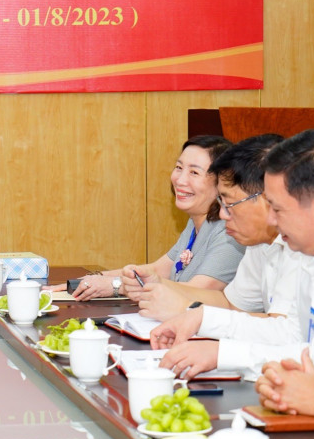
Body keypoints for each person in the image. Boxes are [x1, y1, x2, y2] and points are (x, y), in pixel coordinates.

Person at [150, 129, 314, 380]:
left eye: (277, 209)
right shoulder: (310, 251)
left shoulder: (307, 252)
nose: (271, 220)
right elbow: (291, 333)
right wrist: (203, 319)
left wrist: (221, 354)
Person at [130, 134, 304, 321]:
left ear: (267, 199)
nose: (222, 214)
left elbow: (281, 326)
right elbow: (230, 304)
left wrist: (191, 313)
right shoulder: (259, 244)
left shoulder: (302, 246)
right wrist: (161, 285)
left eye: (230, 203)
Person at [62, 136, 244, 300]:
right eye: (179, 168)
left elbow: (197, 292)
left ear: (223, 182)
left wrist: (117, 286)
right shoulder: (196, 222)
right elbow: (158, 270)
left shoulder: (230, 232)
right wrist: (90, 279)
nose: (180, 180)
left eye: (194, 172)